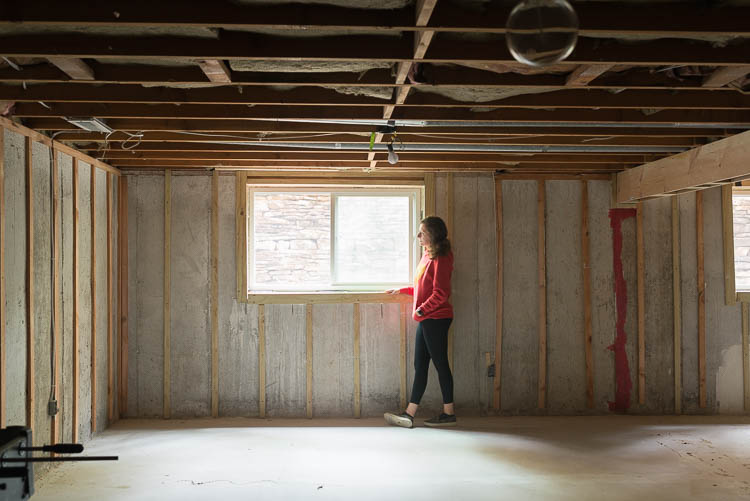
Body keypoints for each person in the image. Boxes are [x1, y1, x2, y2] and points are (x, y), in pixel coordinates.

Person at [383, 216, 455, 428]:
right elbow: (422, 287)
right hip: (427, 318)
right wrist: (403, 290)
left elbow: (440, 293)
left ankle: (448, 413)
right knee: (420, 365)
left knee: (440, 364)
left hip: (437, 319)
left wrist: (421, 310)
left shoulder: (442, 257)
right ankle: (409, 413)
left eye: (422, 232)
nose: (418, 236)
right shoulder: (427, 255)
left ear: (432, 234)